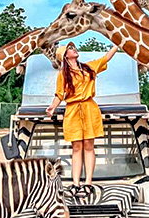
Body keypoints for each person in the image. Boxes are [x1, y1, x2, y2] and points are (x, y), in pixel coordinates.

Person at [46, 41, 119, 198]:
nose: (74, 49)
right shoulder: (63, 75)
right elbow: (59, 94)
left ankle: (88, 184)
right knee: (76, 147)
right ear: (65, 56)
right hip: (72, 110)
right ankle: (75, 184)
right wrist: (52, 107)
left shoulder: (89, 67)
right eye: (70, 49)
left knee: (88, 146)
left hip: (89, 108)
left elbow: (106, 58)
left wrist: (117, 45)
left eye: (73, 47)